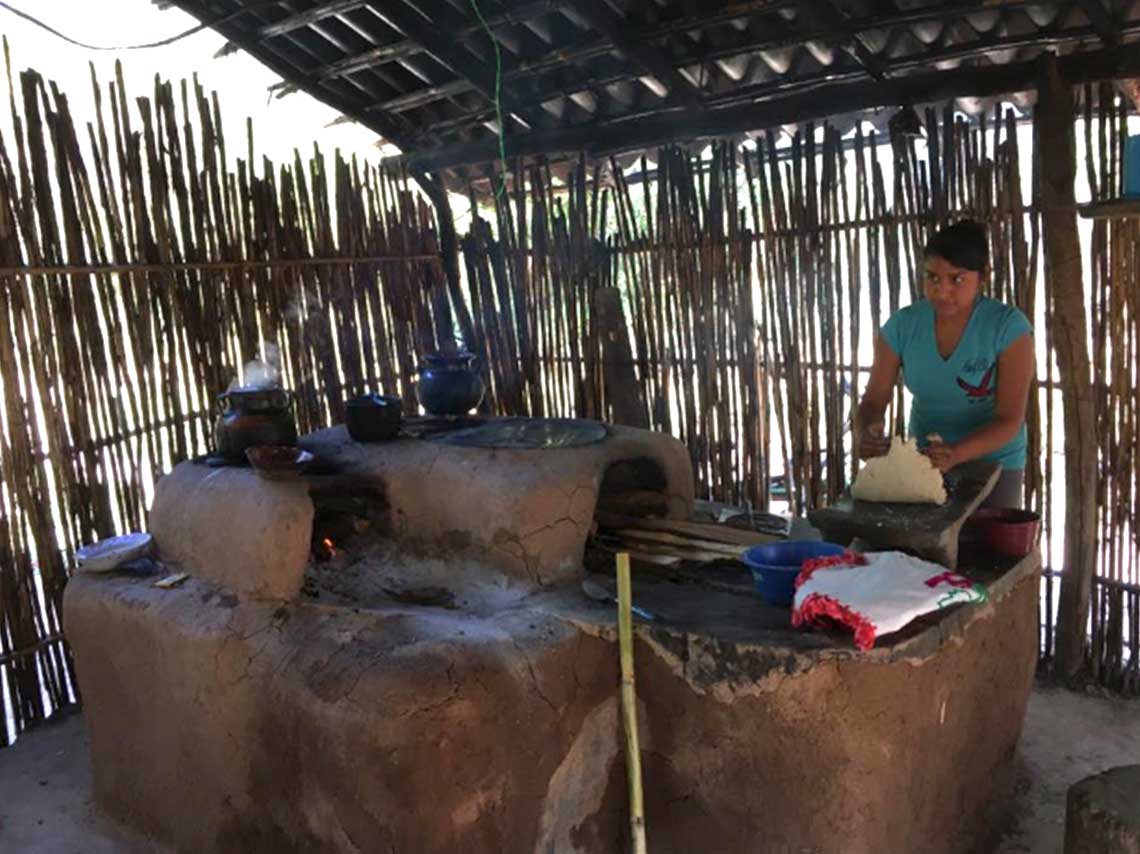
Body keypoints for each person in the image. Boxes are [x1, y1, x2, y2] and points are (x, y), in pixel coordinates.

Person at [854, 220, 1034, 508]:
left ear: (983, 276)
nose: (941, 291)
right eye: (932, 278)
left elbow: (1009, 420)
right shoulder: (902, 327)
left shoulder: (1008, 328)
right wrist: (866, 431)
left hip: (995, 464)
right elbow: (873, 400)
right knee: (919, 548)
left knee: (984, 550)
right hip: (925, 463)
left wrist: (956, 453)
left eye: (957, 279)